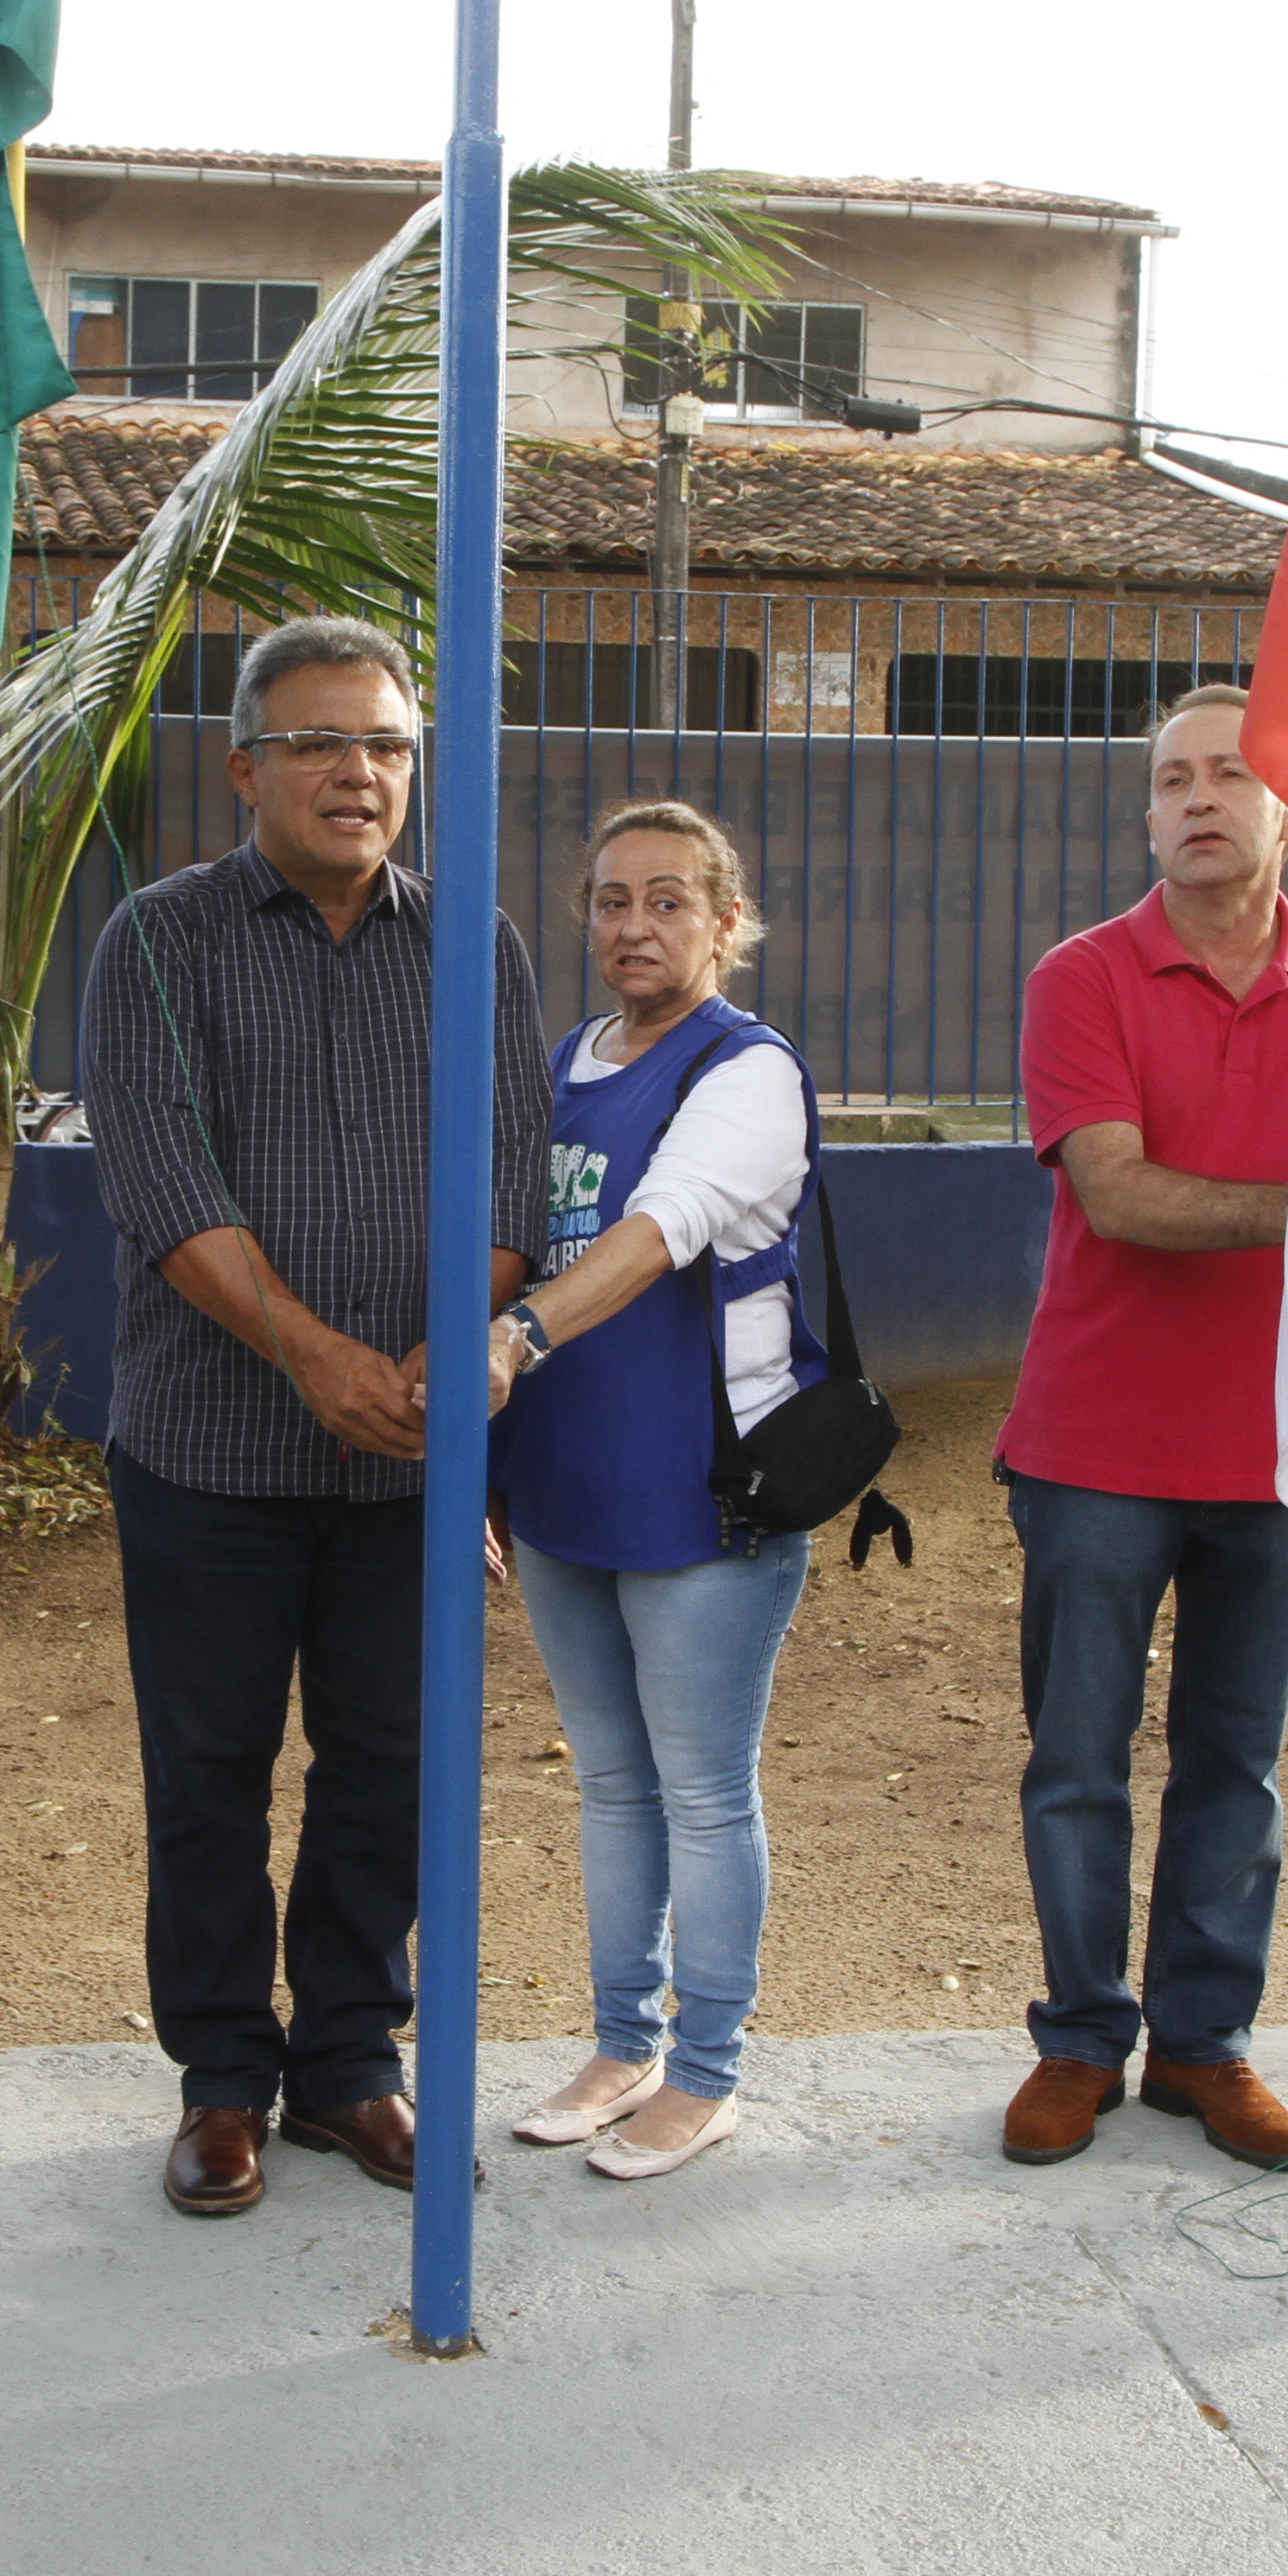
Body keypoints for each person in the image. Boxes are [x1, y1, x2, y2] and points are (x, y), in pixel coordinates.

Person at [78, 614, 545, 2220]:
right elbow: (163, 1181)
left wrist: (423, 1362)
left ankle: (351, 2062)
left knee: (387, 1764)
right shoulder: (158, 938)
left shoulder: (471, 944)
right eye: (323, 743)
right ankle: (222, 2079)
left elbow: (511, 1176)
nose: (361, 772)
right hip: (208, 1452)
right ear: (246, 765)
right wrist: (317, 1357)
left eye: (389, 746)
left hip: (412, 1450)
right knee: (208, 1767)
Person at [990, 690, 1288, 2174]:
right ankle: (1081, 2040)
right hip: (1096, 1444)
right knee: (1077, 1760)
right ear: (1147, 816)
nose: (1199, 799)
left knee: (1235, 1767)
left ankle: (1206, 2048)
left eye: (1232, 776)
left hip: (1282, 1443)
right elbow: (1121, 1195)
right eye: (1171, 781)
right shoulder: (1084, 977)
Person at [482, 803, 823, 2182]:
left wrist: (514, 1342)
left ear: (728, 924)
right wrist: (498, 1468)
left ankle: (709, 2069)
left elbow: (657, 1230)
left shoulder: (747, 1074)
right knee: (613, 1788)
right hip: (568, 1491)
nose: (636, 926)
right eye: (614, 900)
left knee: (702, 1791)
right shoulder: (568, 1060)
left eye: (671, 901)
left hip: (700, 1500)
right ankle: (623, 2042)